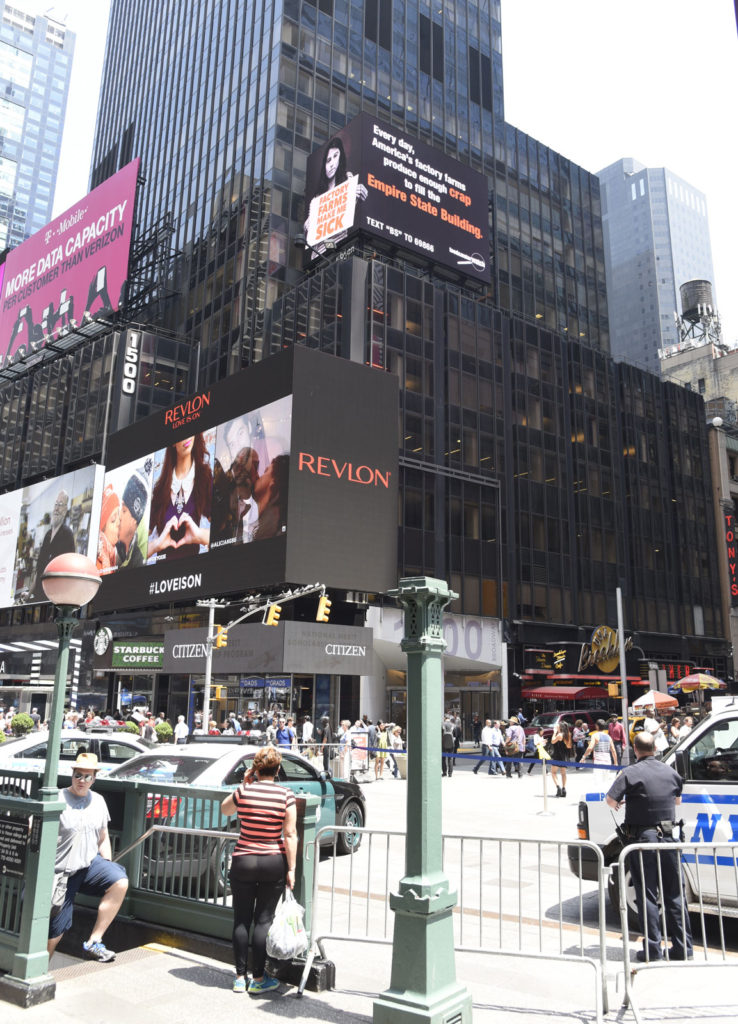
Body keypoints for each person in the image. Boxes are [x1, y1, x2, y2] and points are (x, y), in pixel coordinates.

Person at [606, 732, 693, 962]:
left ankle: (653, 950)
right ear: (655, 748)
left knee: (647, 895)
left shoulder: (630, 772)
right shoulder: (671, 772)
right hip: (670, 838)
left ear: (635, 750)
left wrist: (629, 800)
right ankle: (683, 949)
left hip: (643, 840)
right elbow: (677, 801)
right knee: (675, 894)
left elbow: (610, 801)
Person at [220, 746, 297, 994]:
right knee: (263, 921)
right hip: (272, 860)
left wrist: (244, 784)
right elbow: (290, 834)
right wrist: (292, 868)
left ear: (255, 769)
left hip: (243, 858)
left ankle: (240, 978)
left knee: (241, 920)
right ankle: (259, 979)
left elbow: (225, 809)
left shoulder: (244, 791)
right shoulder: (286, 795)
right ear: (277, 769)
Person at [48, 753, 129, 963]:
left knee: (119, 880)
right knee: (54, 933)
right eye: (78, 775)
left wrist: (107, 862)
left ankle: (94, 941)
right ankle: (39, 971)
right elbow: (34, 828)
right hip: (60, 872)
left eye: (87, 776)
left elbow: (103, 837)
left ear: (94, 778)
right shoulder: (57, 798)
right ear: (72, 775)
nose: (82, 780)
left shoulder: (99, 801)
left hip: (87, 865)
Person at [147, 434, 212, 561]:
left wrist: (199, 535)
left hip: (194, 576)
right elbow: (135, 553)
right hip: (159, 577)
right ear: (173, 443)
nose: (187, 437)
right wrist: (156, 544)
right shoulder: (160, 489)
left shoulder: (205, 478)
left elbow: (224, 535)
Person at [304, 135, 368, 256]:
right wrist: (307, 225)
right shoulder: (315, 200)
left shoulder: (348, 180)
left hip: (342, 248)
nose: (332, 164)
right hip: (320, 255)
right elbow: (310, 238)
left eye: (335, 156)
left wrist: (361, 193)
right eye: (328, 160)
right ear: (324, 165)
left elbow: (357, 204)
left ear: (341, 158)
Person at [30, 489, 76, 599]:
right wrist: (29, 594)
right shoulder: (47, 535)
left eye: (60, 505)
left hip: (53, 597)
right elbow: (39, 569)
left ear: (65, 510)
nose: (56, 508)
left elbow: (68, 573)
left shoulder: (67, 535)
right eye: (56, 504)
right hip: (38, 595)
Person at [116, 470, 149, 569]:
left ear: (134, 520)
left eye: (124, 510)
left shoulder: (143, 557)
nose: (119, 516)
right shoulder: (116, 546)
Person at [96, 483, 120, 574]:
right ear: (102, 529)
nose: (119, 522)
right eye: (113, 520)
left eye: (118, 516)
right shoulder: (101, 554)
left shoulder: (113, 554)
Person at [549, 721, 573, 795]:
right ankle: (564, 789)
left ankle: (558, 787)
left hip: (557, 755)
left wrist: (554, 732)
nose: (556, 728)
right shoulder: (568, 734)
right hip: (565, 756)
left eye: (557, 726)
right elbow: (569, 746)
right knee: (563, 773)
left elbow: (553, 741)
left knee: (553, 772)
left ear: (560, 727)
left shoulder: (559, 735)